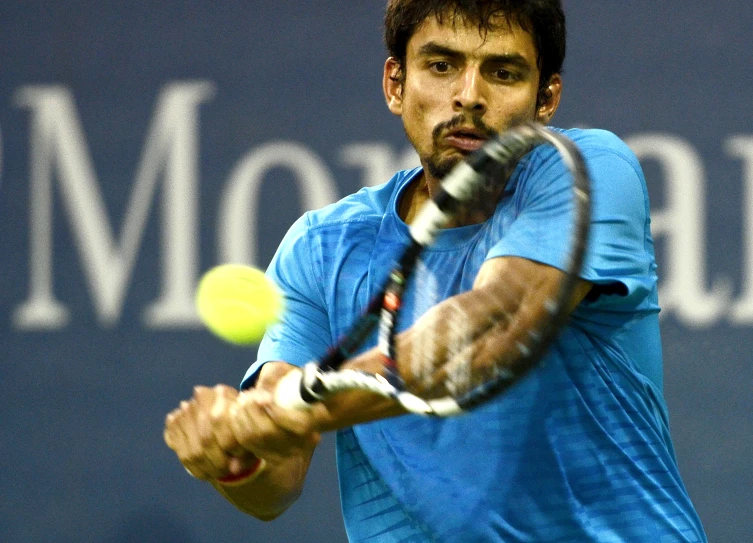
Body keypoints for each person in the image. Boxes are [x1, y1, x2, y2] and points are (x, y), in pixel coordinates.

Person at [164, 1, 708, 541]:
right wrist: (233, 452)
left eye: (503, 72)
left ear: (547, 100)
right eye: (441, 65)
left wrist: (300, 407)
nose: (469, 95)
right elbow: (275, 486)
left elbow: (490, 329)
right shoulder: (321, 246)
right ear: (395, 84)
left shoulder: (590, 170)